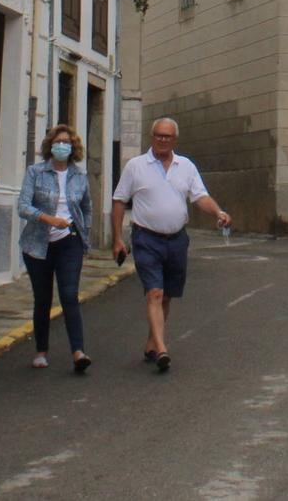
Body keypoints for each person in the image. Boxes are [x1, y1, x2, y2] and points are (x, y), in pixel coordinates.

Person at [110, 117, 230, 372]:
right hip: (146, 239)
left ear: (175, 140)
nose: (162, 140)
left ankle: (152, 343)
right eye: (158, 135)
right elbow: (119, 201)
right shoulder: (136, 166)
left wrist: (218, 213)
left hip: (176, 240)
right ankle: (162, 349)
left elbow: (199, 197)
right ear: (151, 137)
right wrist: (118, 238)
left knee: (166, 296)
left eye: (167, 136)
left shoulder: (185, 166)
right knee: (154, 292)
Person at [16, 123, 95, 371]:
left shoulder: (79, 176)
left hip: (69, 241)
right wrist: (49, 219)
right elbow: (23, 206)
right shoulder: (35, 172)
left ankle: (78, 352)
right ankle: (41, 351)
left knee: (69, 295)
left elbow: (86, 207)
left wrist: (84, 233)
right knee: (43, 298)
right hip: (38, 244)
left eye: (67, 143)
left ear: (74, 148)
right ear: (50, 146)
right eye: (58, 142)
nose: (62, 146)